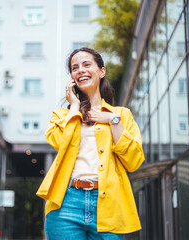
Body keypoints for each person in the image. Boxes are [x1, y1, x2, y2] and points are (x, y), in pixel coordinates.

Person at [36, 47, 145, 240]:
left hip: (109, 203)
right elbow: (60, 143)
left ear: (101, 71)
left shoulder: (122, 115)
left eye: (87, 64)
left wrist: (112, 120)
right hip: (66, 202)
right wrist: (75, 107)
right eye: (75, 67)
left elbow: (133, 161)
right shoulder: (61, 116)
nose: (80, 70)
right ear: (72, 78)